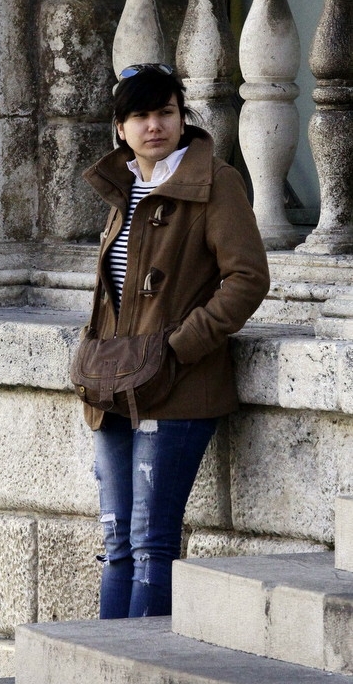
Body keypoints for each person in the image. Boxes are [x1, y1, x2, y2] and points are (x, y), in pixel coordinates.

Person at [80, 63, 270, 620]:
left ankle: (140, 661)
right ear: (120, 128)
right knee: (117, 543)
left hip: (177, 388)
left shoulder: (216, 182)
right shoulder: (125, 187)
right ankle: (102, 660)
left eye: (165, 112)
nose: (154, 126)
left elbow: (248, 278)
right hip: (112, 387)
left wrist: (181, 346)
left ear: (182, 118)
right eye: (140, 115)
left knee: (150, 544)